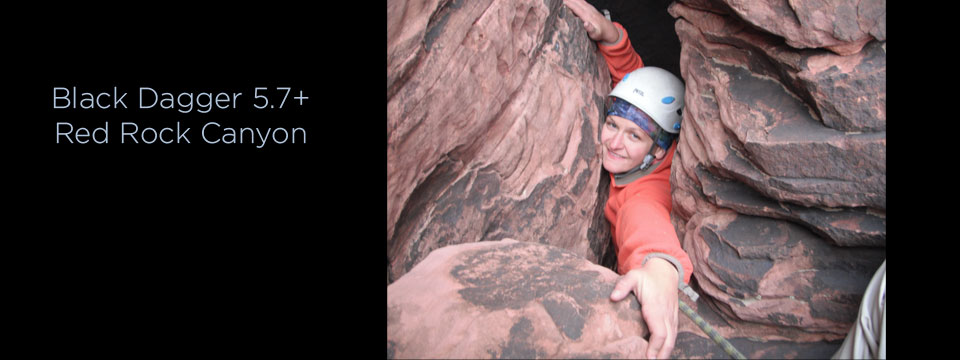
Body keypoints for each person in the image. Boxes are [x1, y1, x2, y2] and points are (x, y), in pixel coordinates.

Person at [564, 1, 696, 358]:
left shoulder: (643, 193)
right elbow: (632, 82)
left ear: (656, 150)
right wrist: (610, 35)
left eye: (633, 136)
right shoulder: (658, 137)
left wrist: (660, 270)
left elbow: (648, 224)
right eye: (611, 125)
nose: (614, 142)